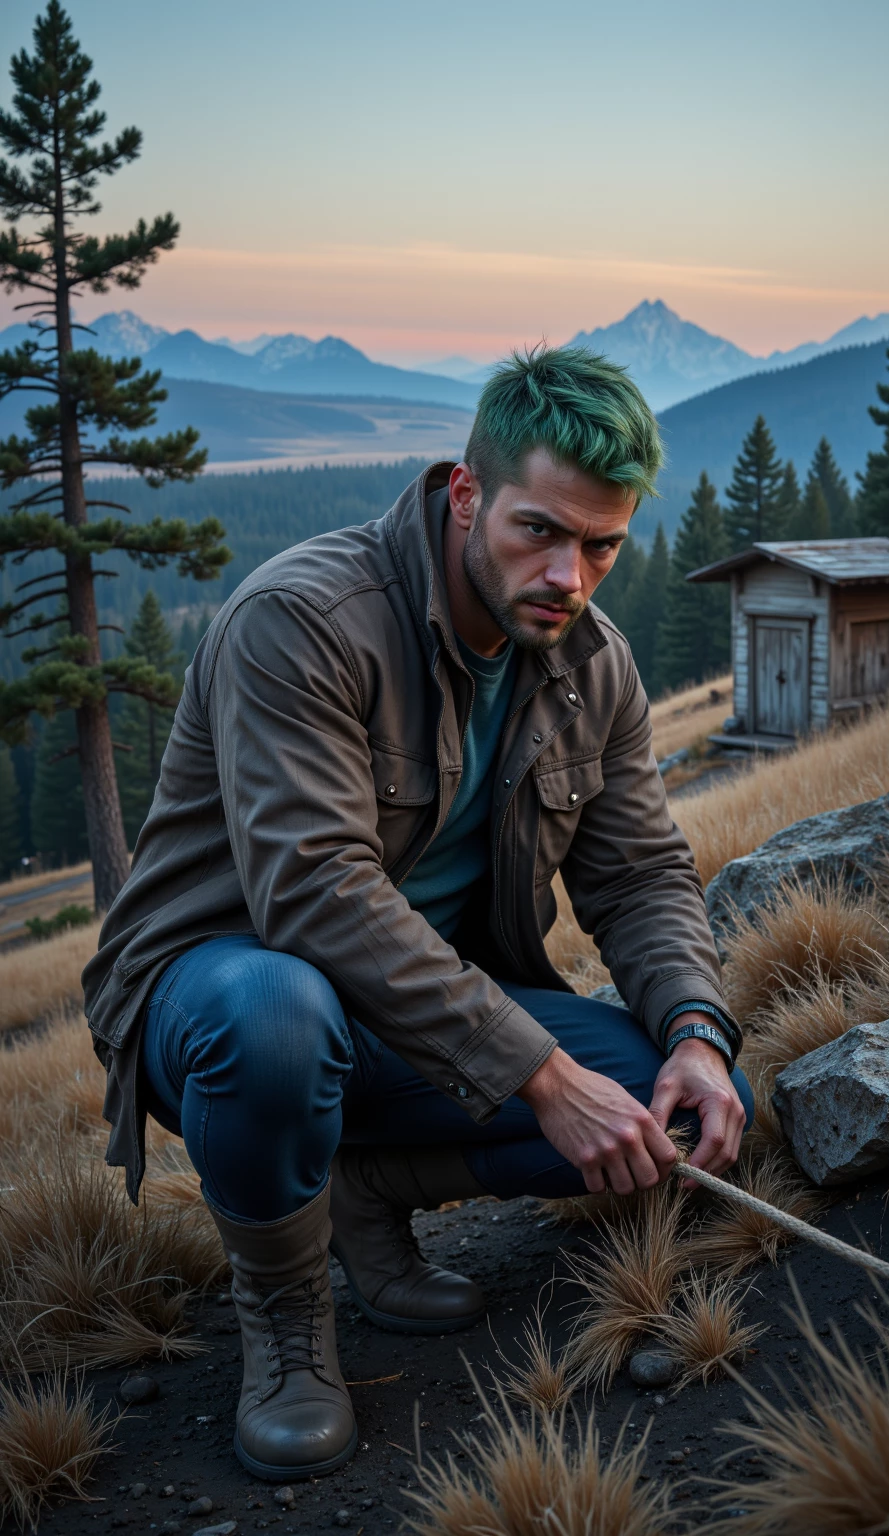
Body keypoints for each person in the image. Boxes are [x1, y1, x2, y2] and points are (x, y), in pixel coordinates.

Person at [83, 346, 752, 1483]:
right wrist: (540, 1075)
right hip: (216, 994)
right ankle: (286, 1321)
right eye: (537, 530)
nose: (569, 575)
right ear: (464, 495)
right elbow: (311, 889)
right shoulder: (301, 620)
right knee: (277, 1020)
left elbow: (639, 876)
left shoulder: (597, 670)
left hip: (417, 1018)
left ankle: (361, 1189)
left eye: (601, 545)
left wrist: (696, 1032)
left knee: (676, 1110)